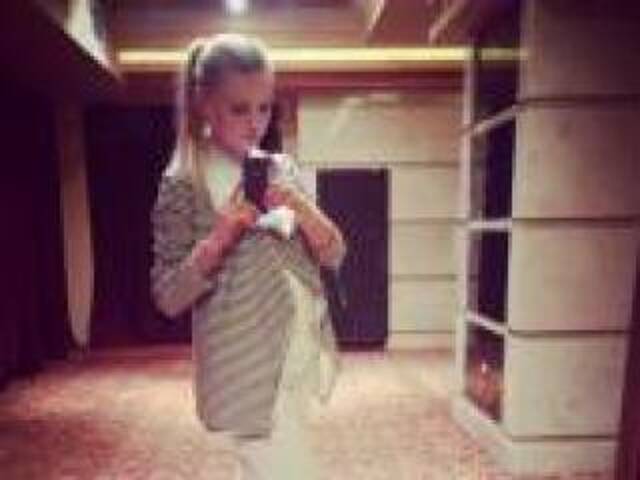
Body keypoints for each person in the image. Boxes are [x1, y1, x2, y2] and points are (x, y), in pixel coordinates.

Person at [150, 33, 346, 480]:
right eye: (240, 109)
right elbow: (168, 296)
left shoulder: (280, 168)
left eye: (265, 108)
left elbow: (335, 252)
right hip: (245, 368)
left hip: (299, 351)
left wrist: (302, 208)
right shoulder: (185, 182)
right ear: (203, 104)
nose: (255, 123)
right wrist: (220, 237)